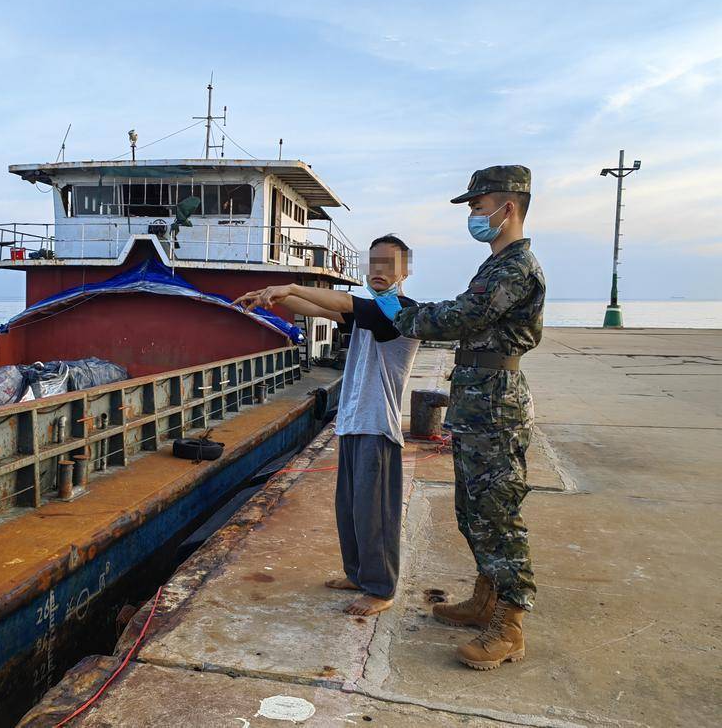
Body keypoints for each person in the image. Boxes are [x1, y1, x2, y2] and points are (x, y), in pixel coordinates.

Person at [390, 165, 545, 671]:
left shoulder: (515, 268)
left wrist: (394, 308)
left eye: (478, 208)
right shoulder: (496, 264)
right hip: (480, 399)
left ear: (508, 208)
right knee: (474, 508)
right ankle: (486, 597)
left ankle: (511, 623)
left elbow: (461, 317)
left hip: (497, 401)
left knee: (498, 511)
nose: (474, 218)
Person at [233, 235, 420, 616]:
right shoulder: (371, 309)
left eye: (388, 263)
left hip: (377, 424)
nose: (378, 271)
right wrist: (273, 296)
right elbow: (327, 310)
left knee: (374, 512)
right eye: (373, 263)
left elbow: (344, 303)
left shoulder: (400, 311)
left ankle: (381, 588)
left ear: (404, 271)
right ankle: (358, 573)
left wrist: (290, 286)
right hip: (353, 421)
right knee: (350, 508)